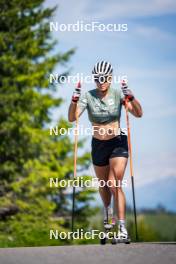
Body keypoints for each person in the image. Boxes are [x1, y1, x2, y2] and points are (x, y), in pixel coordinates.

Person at [68, 61, 143, 239]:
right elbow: (72, 118)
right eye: (97, 78)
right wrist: (74, 100)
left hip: (117, 142)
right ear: (94, 79)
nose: (101, 81)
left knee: (114, 182)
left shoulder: (118, 94)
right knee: (103, 185)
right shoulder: (88, 95)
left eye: (104, 78)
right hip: (98, 144)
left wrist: (131, 97)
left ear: (110, 78)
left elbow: (138, 113)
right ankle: (108, 211)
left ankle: (122, 227)